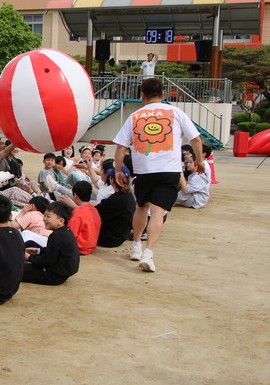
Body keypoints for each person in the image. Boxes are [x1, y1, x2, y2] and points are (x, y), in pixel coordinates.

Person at [113, 77, 205, 273]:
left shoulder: (135, 116)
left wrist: (119, 170)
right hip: (169, 170)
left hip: (144, 170)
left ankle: (136, 245)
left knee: (141, 207)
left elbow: (121, 146)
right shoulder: (176, 112)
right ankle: (148, 253)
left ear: (142, 96)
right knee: (158, 212)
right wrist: (199, 161)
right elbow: (196, 139)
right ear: (163, 94)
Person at [22, 201, 80, 286]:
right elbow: (54, 251)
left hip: (53, 275)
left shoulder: (57, 236)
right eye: (44, 215)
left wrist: (29, 258)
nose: (44, 219)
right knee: (30, 243)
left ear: (61, 221)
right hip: (60, 270)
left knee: (18, 268)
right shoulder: (65, 231)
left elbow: (47, 261)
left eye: (48, 216)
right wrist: (38, 251)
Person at [96, 167, 136, 248]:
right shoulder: (128, 195)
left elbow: (94, 212)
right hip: (120, 236)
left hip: (110, 239)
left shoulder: (115, 199)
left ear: (112, 180)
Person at [59, 181, 102, 255]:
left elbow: (69, 235)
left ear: (75, 195)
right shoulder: (94, 210)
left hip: (79, 248)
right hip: (91, 245)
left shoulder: (77, 214)